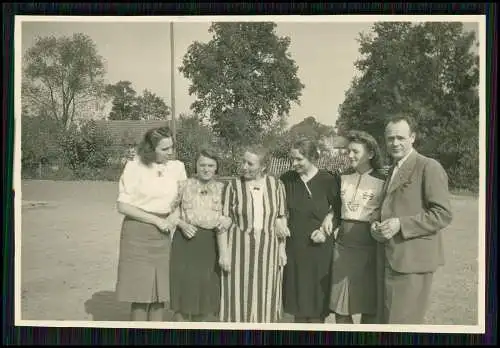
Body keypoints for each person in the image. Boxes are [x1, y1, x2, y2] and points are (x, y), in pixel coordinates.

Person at [371, 114, 453, 324]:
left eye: (400, 137)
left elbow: (442, 214)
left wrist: (401, 224)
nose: (395, 143)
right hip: (389, 258)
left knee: (403, 325)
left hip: (413, 262)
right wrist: (376, 224)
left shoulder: (428, 167)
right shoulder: (392, 170)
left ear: (413, 137)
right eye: (390, 138)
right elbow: (386, 207)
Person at [115, 126, 187, 322]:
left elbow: (182, 200)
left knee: (159, 294)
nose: (170, 152)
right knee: (140, 295)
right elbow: (123, 206)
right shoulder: (134, 166)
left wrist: (173, 217)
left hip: (163, 236)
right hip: (137, 233)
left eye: (171, 147)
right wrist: (156, 220)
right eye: (165, 149)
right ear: (150, 148)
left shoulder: (177, 167)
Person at [220, 145, 290, 323]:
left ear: (263, 167)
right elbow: (223, 222)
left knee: (265, 297)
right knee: (237, 298)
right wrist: (224, 254)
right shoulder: (233, 186)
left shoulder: (276, 185)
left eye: (250, 164)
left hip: (269, 250)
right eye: (243, 161)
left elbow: (281, 219)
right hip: (238, 250)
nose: (244, 166)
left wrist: (282, 250)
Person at [280, 138, 342, 323]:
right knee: (298, 303)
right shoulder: (286, 180)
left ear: (312, 157)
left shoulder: (328, 180)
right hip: (296, 247)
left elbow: (339, 210)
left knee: (316, 304)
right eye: (292, 159)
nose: (294, 163)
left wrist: (328, 223)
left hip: (320, 249)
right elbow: (278, 208)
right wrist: (279, 220)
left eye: (299, 159)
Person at [328, 130, 386, 324]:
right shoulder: (342, 177)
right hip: (343, 246)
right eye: (348, 151)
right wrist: (330, 218)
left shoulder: (383, 180)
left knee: (369, 304)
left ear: (370, 154)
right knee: (340, 305)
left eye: (355, 152)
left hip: (370, 247)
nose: (349, 155)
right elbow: (336, 209)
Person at [169, 148, 231, 322]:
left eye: (211, 165)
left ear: (216, 167)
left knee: (204, 292)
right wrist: (181, 224)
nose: (206, 169)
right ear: (195, 165)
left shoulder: (223, 189)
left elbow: (231, 215)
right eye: (202, 164)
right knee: (183, 291)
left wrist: (228, 221)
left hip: (209, 244)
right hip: (184, 242)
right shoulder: (183, 185)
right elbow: (170, 212)